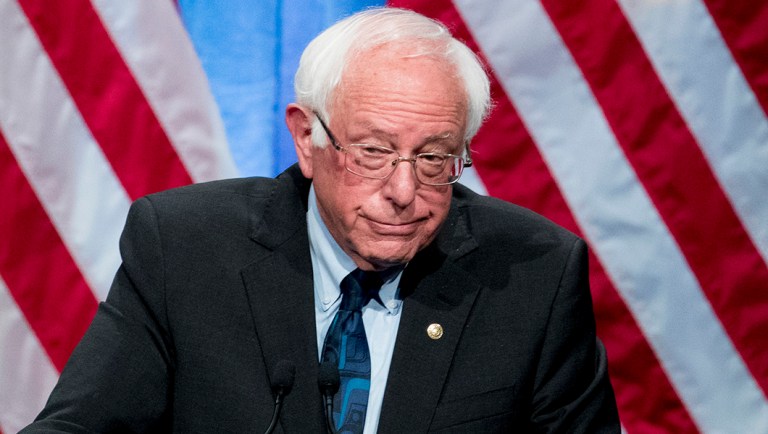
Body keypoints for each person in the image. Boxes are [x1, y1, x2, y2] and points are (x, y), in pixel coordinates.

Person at [23, 7, 619, 433]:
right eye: (373, 152)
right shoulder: (186, 247)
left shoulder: (534, 273)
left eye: (435, 158)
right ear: (307, 138)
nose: (404, 191)